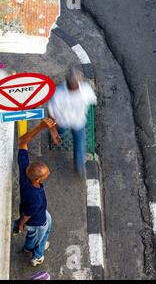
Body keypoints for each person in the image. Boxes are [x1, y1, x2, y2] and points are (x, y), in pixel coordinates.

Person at [15, 118, 56, 266]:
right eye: (46, 173)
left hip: (34, 217)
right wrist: (20, 224)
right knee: (43, 234)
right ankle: (37, 256)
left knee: (34, 233)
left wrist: (40, 127)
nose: (48, 173)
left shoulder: (25, 169)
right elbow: (28, 214)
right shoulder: (36, 197)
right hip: (37, 220)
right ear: (37, 180)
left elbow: (22, 142)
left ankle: (28, 247)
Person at [48, 67, 97, 176]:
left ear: (66, 81)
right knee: (79, 144)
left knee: (60, 131)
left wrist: (53, 131)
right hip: (78, 121)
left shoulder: (58, 93)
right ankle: (79, 167)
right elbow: (93, 101)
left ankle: (57, 137)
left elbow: (52, 113)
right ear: (79, 82)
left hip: (62, 121)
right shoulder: (86, 90)